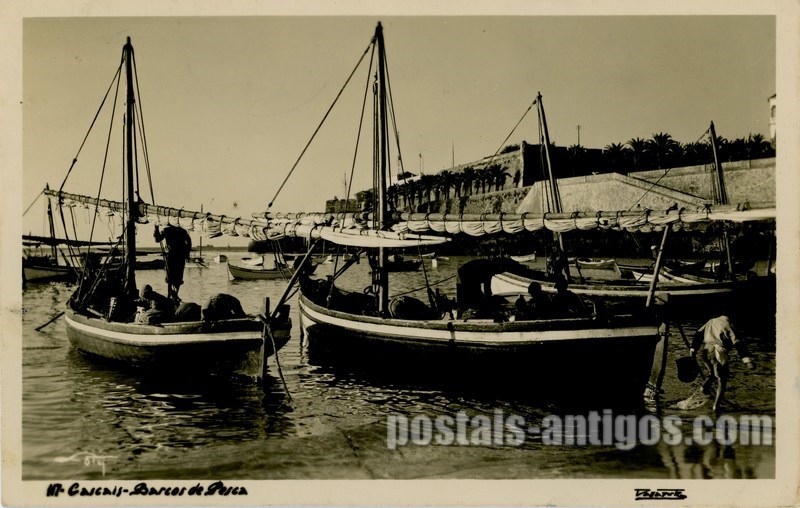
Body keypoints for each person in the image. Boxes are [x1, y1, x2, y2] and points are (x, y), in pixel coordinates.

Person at [690, 313, 755, 412]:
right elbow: (737, 343)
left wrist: (693, 350)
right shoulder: (728, 325)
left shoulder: (711, 321)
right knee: (722, 379)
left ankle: (704, 388)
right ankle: (716, 406)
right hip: (717, 353)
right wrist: (747, 360)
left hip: (706, 351)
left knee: (712, 374)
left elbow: (698, 334)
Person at [154, 224, 192, 301]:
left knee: (171, 276)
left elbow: (157, 239)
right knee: (175, 276)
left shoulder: (168, 230)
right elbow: (189, 242)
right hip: (176, 256)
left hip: (174, 256)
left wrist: (156, 229)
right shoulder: (180, 231)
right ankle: (173, 294)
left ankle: (171, 294)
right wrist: (187, 254)